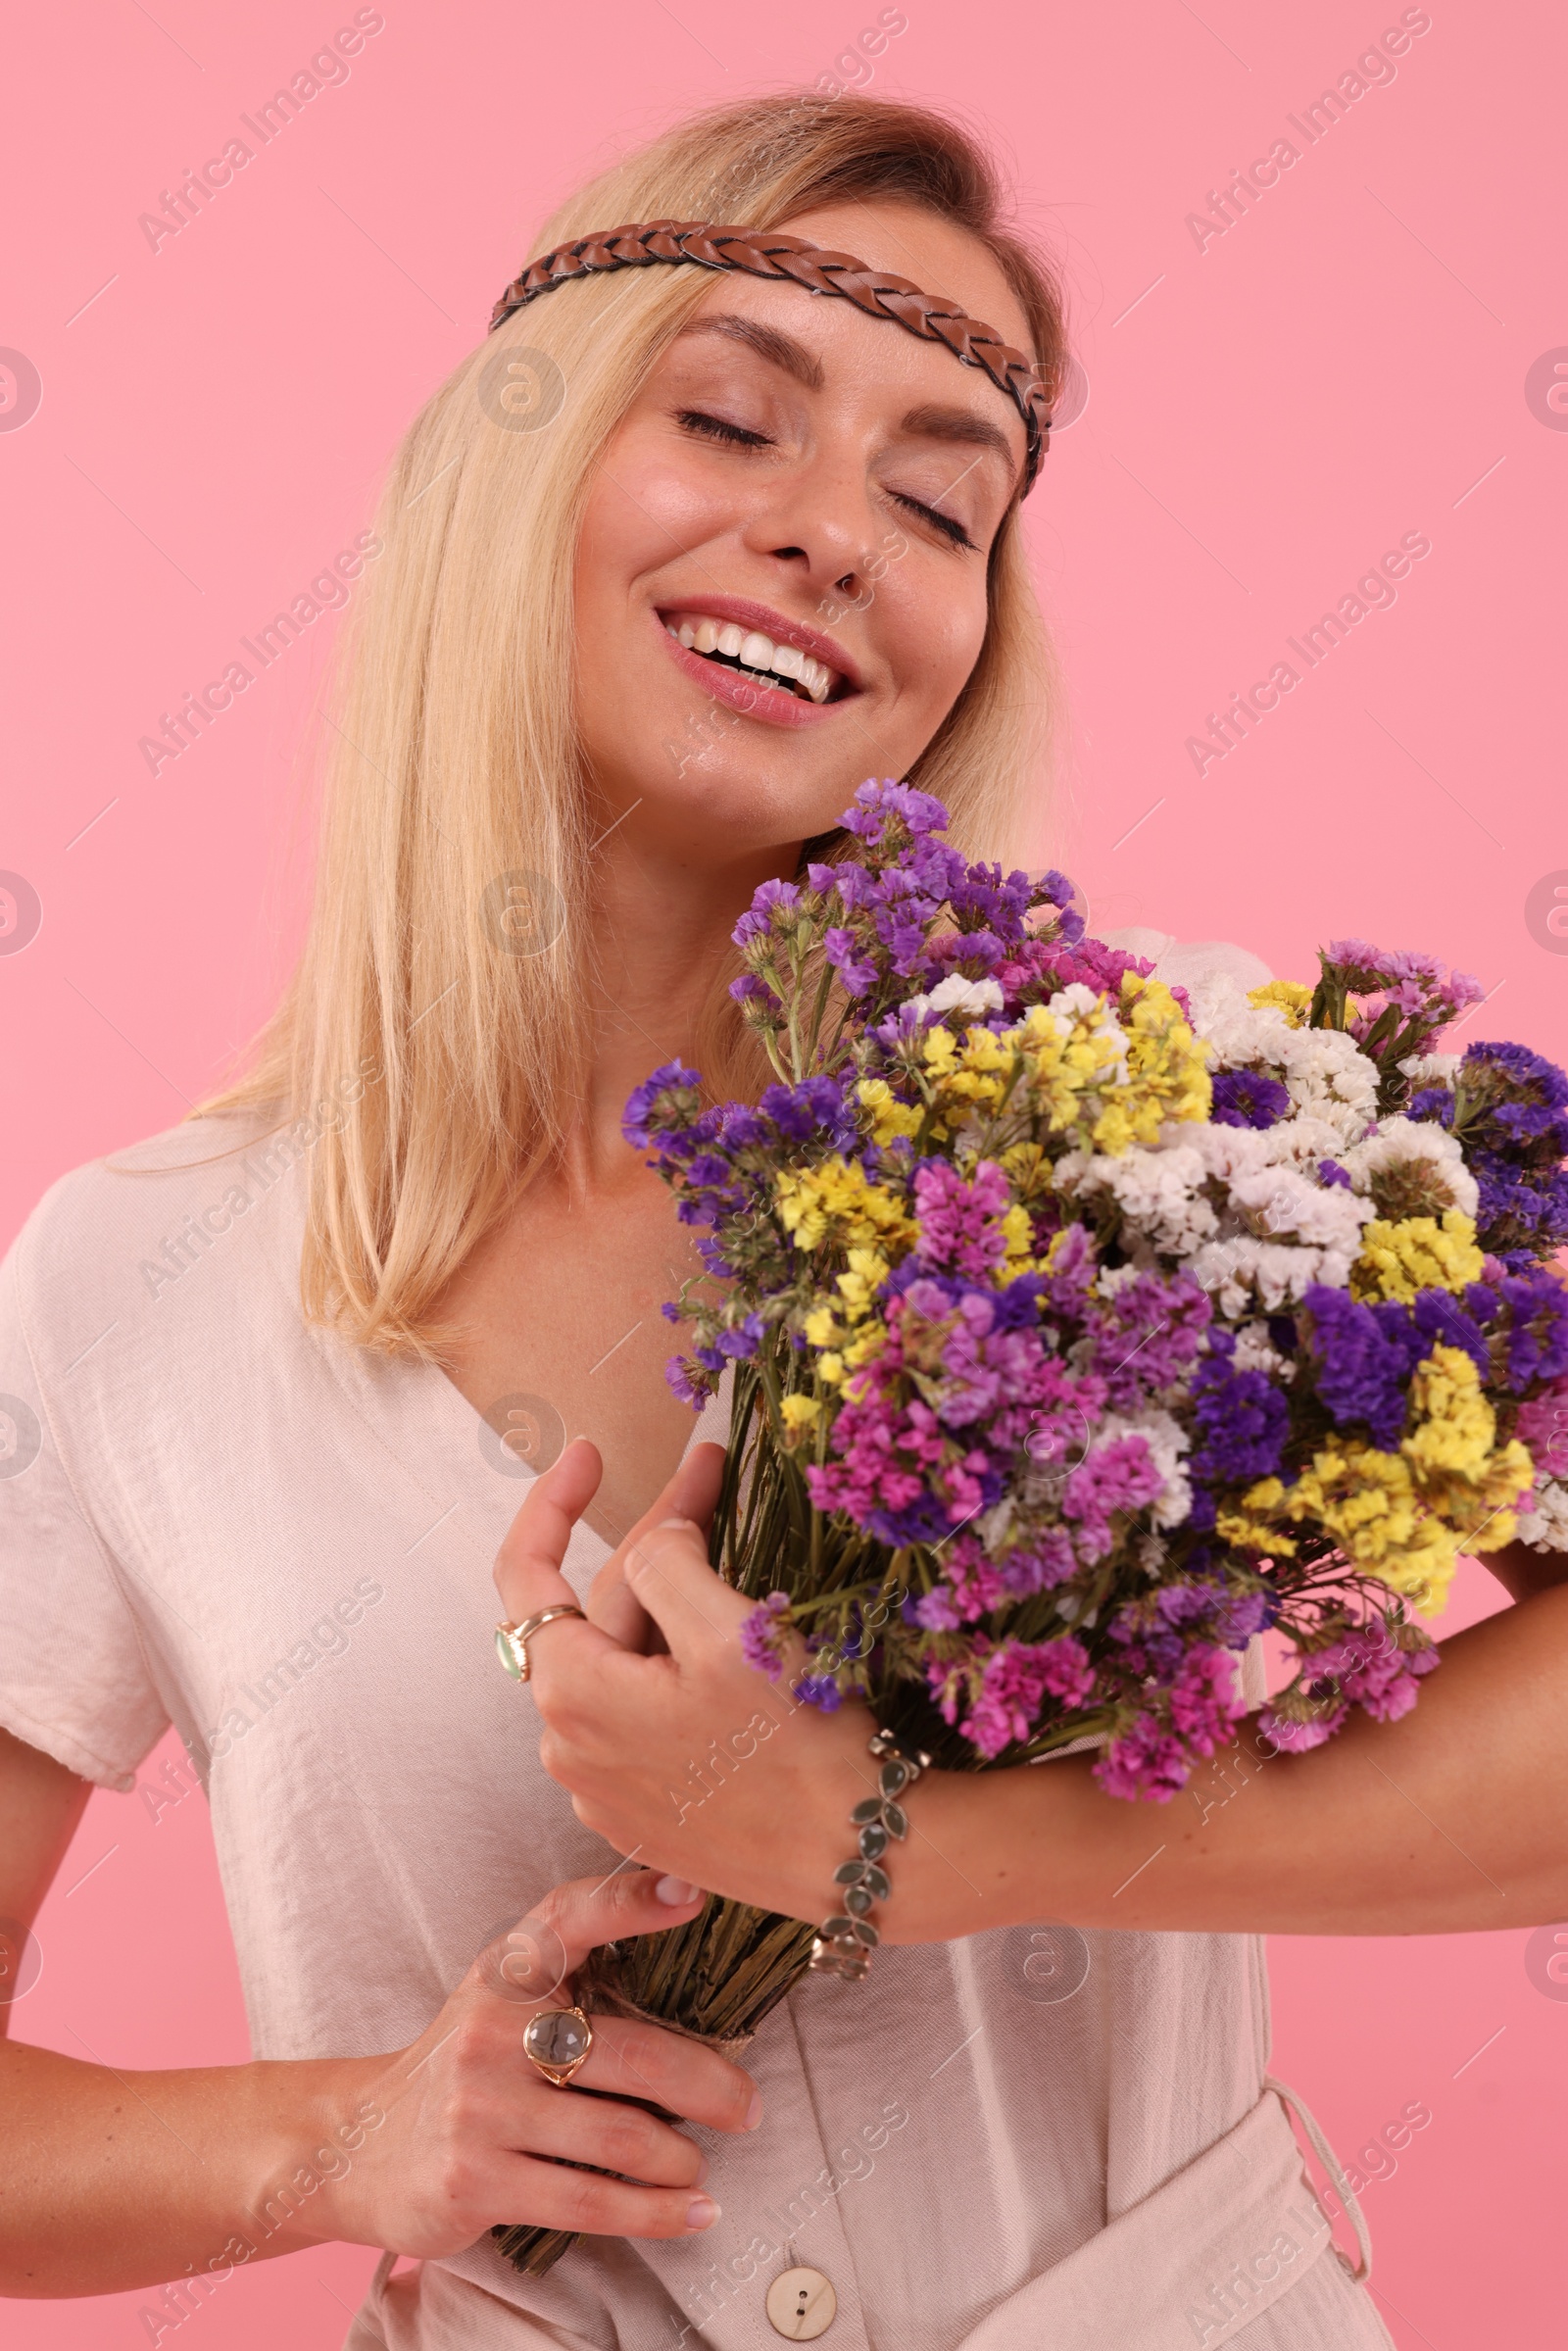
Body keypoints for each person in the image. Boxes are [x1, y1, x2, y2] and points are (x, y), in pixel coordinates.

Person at [1, 88, 1561, 2351]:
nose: (835, 533)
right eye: (730, 419)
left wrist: (923, 1847)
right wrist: (331, 2141)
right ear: (507, 477)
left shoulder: (1184, 1129)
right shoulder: (128, 1285)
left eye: (940, 500)